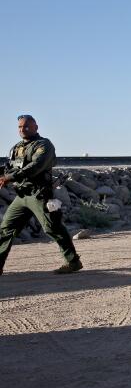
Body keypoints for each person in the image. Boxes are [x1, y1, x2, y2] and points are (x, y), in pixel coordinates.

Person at [0, 115, 83, 275]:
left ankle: (73, 261)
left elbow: (36, 166)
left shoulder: (44, 145)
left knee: (53, 228)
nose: (22, 130)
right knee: (6, 229)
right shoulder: (16, 148)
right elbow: (8, 168)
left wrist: (10, 178)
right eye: (19, 127)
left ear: (36, 127)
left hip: (39, 195)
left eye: (26, 126)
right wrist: (6, 174)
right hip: (22, 196)